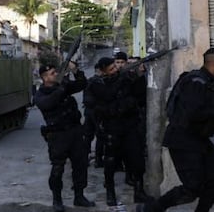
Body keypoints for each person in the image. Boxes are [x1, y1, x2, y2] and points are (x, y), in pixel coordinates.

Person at [136, 48, 214, 212]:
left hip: (199, 140)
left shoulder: (206, 82)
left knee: (212, 182)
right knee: (192, 188)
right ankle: (150, 209)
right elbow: (193, 114)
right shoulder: (196, 82)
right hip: (184, 141)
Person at [34, 62, 95, 212]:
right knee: (57, 169)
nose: (55, 75)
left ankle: (79, 196)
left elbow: (82, 84)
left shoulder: (63, 86)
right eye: (52, 73)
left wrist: (75, 71)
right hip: (57, 135)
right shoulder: (41, 94)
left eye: (56, 72)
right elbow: (48, 104)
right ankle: (57, 199)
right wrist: (62, 86)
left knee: (80, 165)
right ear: (44, 77)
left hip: (74, 131)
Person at [88, 57, 149, 206]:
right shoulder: (96, 83)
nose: (115, 70)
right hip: (112, 128)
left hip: (130, 126)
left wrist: (139, 76)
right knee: (110, 163)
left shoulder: (125, 78)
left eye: (115, 67)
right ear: (102, 71)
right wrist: (121, 79)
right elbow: (107, 95)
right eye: (111, 69)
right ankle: (110, 193)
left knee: (137, 160)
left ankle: (139, 191)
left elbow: (139, 95)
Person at [83, 62, 105, 168]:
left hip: (88, 112)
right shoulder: (100, 82)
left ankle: (85, 158)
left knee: (88, 136)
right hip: (97, 113)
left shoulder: (89, 81)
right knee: (100, 136)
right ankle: (98, 159)